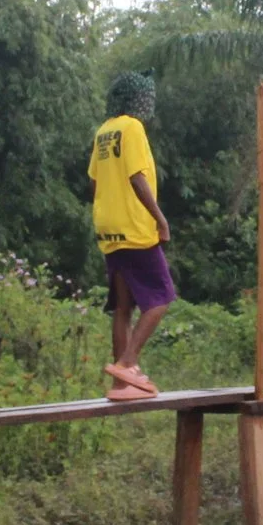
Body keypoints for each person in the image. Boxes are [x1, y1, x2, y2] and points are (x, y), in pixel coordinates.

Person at [90, 70, 175, 399]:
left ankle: (121, 385)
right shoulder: (132, 127)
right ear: (137, 100)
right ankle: (128, 363)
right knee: (161, 297)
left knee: (123, 307)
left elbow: (95, 182)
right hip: (134, 227)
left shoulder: (104, 132)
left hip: (108, 228)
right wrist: (160, 219)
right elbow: (137, 177)